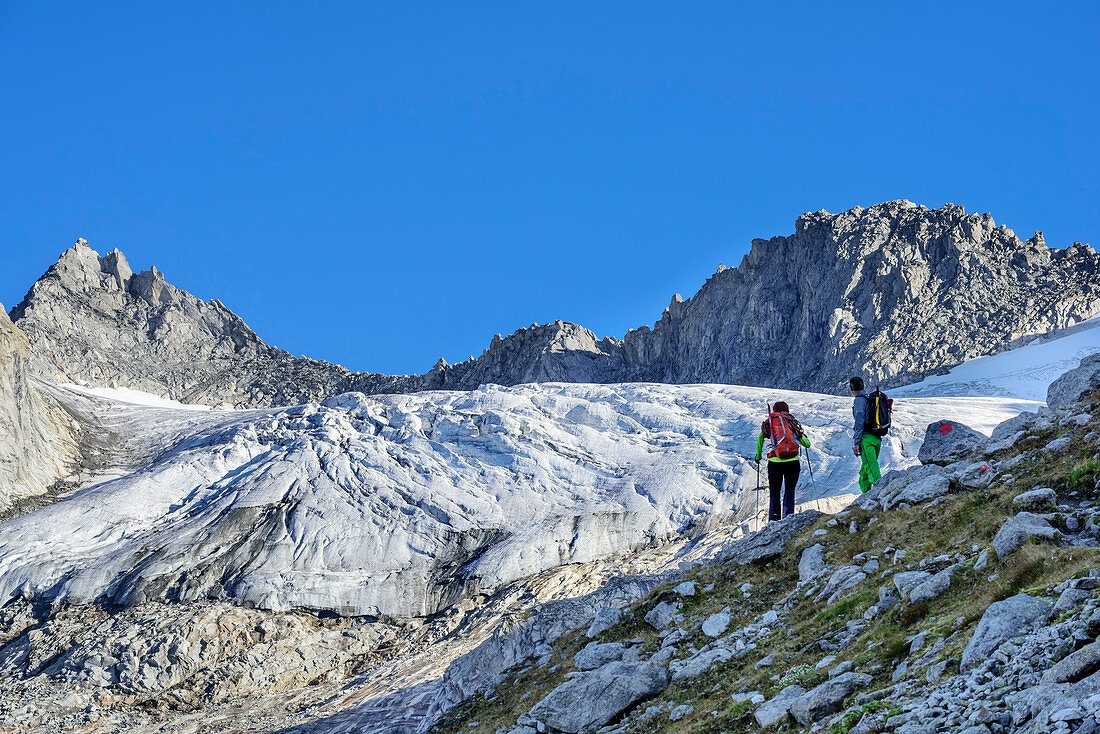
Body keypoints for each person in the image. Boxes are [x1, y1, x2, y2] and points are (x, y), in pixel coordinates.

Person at [755, 401, 811, 521]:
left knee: (774, 493)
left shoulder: (770, 423)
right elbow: (807, 444)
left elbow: (760, 438)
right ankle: (788, 518)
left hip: (775, 463)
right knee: (789, 490)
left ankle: (773, 521)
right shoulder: (792, 422)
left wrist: (758, 456)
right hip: (793, 463)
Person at [850, 376, 882, 493]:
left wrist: (856, 442)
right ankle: (866, 495)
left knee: (871, 467)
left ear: (852, 388)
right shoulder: (870, 399)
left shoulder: (859, 400)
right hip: (876, 438)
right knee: (865, 468)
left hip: (866, 439)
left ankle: (881, 493)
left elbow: (859, 422)